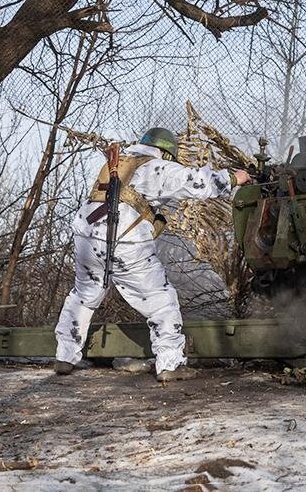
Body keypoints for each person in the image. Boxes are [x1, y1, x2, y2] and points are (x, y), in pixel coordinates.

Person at [53, 127, 249, 381]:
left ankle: (65, 356)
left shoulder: (121, 160)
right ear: (166, 153)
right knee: (161, 300)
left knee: (84, 295)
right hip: (125, 240)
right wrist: (234, 178)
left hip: (87, 237)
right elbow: (197, 183)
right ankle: (170, 364)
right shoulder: (155, 166)